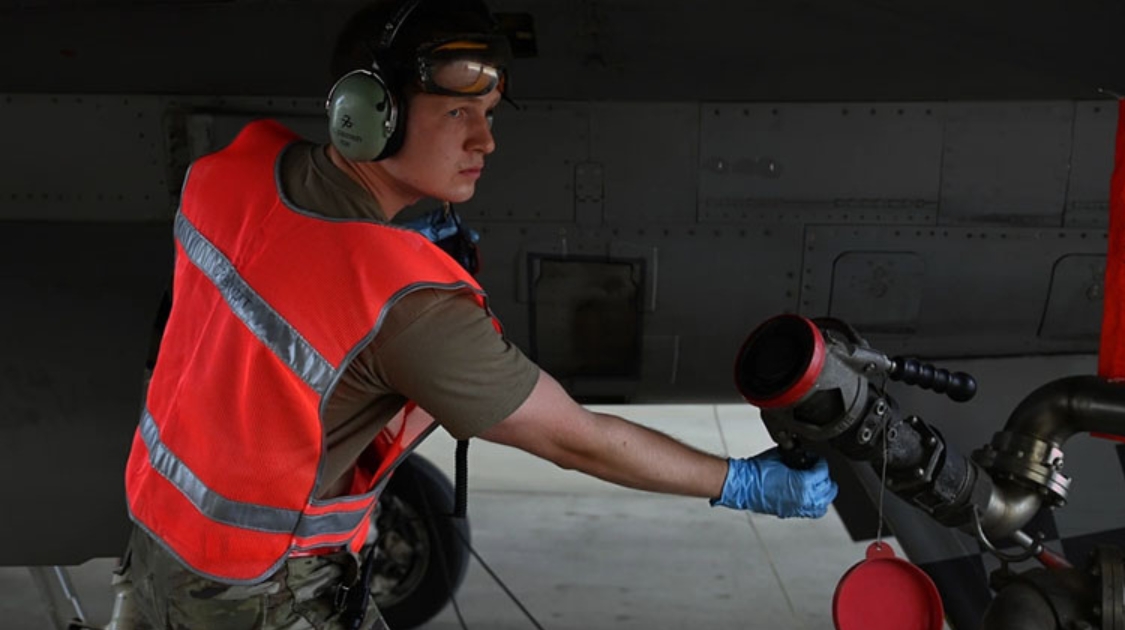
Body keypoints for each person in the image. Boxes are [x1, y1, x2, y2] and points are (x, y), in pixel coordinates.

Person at [115, 0, 839, 628]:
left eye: (488, 116)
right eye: (457, 113)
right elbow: (577, 440)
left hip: (155, 543)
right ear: (370, 114)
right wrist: (742, 482)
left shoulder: (228, 171)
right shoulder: (409, 305)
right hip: (261, 595)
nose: (485, 141)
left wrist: (380, 240)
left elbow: (276, 282)